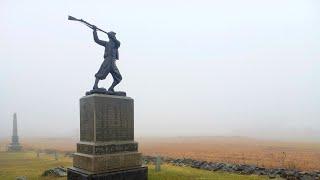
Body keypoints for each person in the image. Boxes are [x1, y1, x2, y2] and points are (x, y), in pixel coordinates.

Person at [92, 25, 122, 92]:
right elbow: (97, 40)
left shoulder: (116, 44)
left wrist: (112, 37)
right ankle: (95, 86)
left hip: (113, 62)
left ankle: (111, 88)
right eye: (114, 35)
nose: (115, 37)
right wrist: (94, 31)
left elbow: (118, 43)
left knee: (118, 78)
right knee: (101, 72)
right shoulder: (106, 43)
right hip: (108, 60)